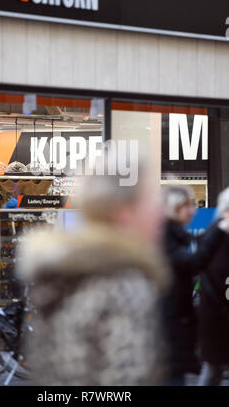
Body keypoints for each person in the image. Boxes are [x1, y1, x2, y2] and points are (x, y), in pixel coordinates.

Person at [17, 163, 169, 386]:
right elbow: (126, 378)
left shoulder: (61, 274)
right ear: (123, 214)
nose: (161, 215)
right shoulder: (124, 284)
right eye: (152, 204)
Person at [161, 185, 229, 386]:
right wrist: (219, 229)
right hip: (170, 323)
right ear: (174, 208)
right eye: (187, 206)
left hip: (179, 322)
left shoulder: (177, 234)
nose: (193, 211)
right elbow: (194, 262)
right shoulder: (165, 237)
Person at [198, 187, 229, 386]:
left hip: (217, 312)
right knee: (212, 369)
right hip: (217, 313)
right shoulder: (217, 233)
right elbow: (217, 272)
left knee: (213, 370)